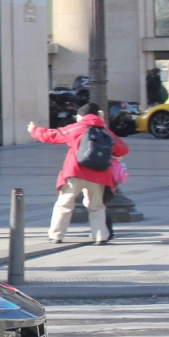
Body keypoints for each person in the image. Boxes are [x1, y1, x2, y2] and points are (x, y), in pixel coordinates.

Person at [28, 102, 128, 245]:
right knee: (97, 206)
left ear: (81, 116)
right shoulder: (105, 132)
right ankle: (100, 237)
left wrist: (34, 130)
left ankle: (56, 235)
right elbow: (123, 148)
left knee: (64, 204)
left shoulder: (76, 128)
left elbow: (52, 135)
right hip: (100, 175)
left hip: (75, 172)